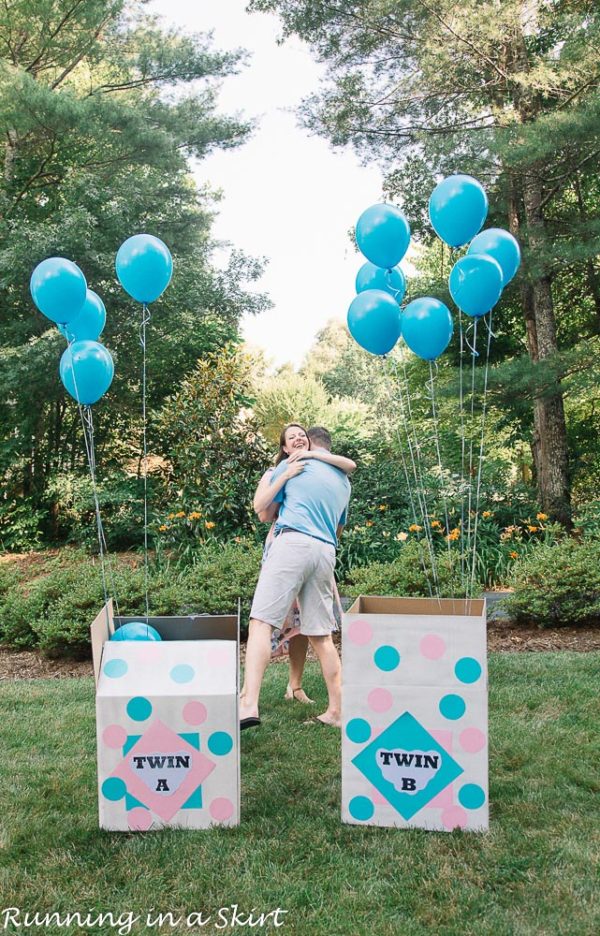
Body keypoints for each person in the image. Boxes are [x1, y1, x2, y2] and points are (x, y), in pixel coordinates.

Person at [240, 425, 351, 729]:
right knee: (321, 635)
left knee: (261, 623)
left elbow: (261, 510)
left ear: (309, 446)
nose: (298, 440)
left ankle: (248, 703)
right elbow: (338, 528)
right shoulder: (343, 480)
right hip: (325, 551)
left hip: (292, 544)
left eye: (300, 435)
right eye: (292, 437)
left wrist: (284, 475)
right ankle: (338, 711)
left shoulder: (290, 466)